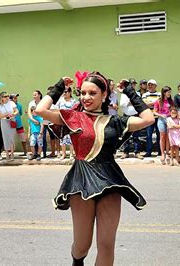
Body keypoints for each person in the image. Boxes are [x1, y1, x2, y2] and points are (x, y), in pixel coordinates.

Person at [36, 72, 154, 265]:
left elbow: (148, 118)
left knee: (107, 244)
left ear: (104, 95)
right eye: (83, 93)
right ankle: (77, 260)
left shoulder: (116, 122)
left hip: (110, 181)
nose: (86, 97)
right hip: (81, 181)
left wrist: (130, 92)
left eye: (92, 92)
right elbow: (41, 110)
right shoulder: (73, 117)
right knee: (82, 245)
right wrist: (59, 88)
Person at [119, 79, 142, 159]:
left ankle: (137, 152)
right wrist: (131, 102)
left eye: (134, 84)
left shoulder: (138, 93)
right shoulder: (124, 94)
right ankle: (126, 152)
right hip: (126, 116)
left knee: (136, 135)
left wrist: (130, 102)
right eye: (131, 84)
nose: (133, 85)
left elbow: (139, 103)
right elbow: (122, 104)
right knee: (126, 135)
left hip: (136, 115)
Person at [153, 86, 173, 164]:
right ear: (164, 92)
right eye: (168, 92)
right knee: (162, 137)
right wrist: (161, 115)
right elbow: (154, 111)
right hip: (161, 120)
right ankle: (162, 153)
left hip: (169, 119)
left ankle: (167, 153)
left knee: (168, 137)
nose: (169, 94)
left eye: (170, 92)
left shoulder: (171, 101)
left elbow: (173, 110)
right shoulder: (158, 101)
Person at [141, 79, 161, 157]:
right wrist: (155, 103)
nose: (150, 86)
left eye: (152, 84)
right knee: (148, 135)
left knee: (159, 135)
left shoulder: (160, 94)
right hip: (149, 117)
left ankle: (160, 151)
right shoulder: (145, 94)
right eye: (149, 84)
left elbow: (160, 104)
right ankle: (148, 152)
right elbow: (144, 104)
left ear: (155, 86)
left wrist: (151, 104)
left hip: (158, 117)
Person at [0, 91, 18, 160]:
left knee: (12, 137)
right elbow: (0, 116)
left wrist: (13, 114)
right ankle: (7, 154)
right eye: (5, 96)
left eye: (8, 96)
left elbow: (16, 111)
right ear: (1, 98)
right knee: (5, 138)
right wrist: (6, 114)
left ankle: (12, 154)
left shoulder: (11, 103)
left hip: (12, 120)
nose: (7, 97)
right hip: (4, 121)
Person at [56, 87, 76, 159]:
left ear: (70, 92)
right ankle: (63, 154)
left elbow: (75, 111)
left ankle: (71, 154)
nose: (64, 93)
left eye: (66, 91)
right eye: (63, 91)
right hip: (62, 122)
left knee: (71, 138)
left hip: (71, 122)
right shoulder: (60, 100)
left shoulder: (73, 101)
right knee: (62, 138)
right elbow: (56, 109)